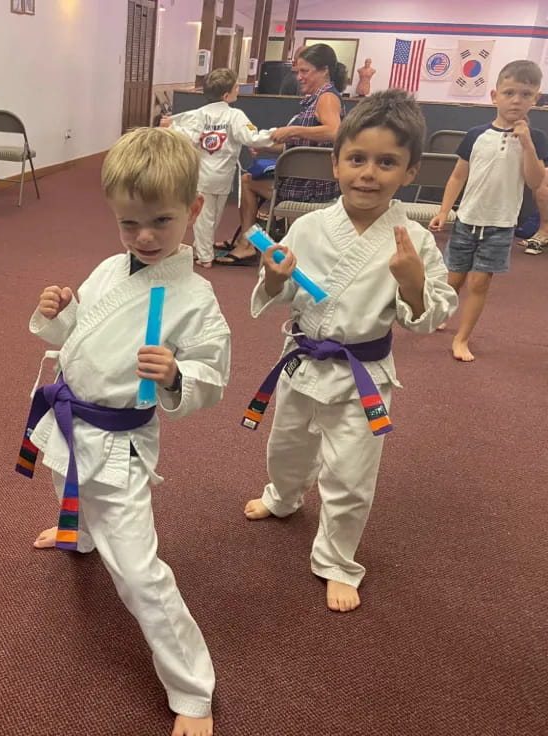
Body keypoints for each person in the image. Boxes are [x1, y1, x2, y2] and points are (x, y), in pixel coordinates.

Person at [19, 127, 230, 736]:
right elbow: (76, 341)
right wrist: (59, 313)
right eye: (128, 224)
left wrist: (175, 374)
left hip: (118, 436)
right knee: (66, 482)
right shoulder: (112, 269)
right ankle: (78, 532)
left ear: (193, 211)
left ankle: (192, 689)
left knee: (138, 570)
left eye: (160, 222)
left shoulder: (196, 299)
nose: (142, 238)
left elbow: (210, 379)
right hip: (71, 413)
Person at [241, 90, 457, 613]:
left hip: (364, 375)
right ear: (335, 161)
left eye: (387, 163)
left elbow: (433, 314)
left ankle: (337, 561)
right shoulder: (309, 226)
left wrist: (411, 284)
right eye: (356, 158)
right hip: (301, 363)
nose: (368, 173)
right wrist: (274, 279)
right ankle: (284, 496)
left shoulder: (413, 241)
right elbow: (282, 292)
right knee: (287, 449)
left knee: (351, 476)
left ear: (410, 171)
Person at [429, 60, 547, 362]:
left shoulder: (536, 140)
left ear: (536, 99)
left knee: (480, 282)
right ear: (495, 96)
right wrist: (444, 211)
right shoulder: (476, 134)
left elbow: (535, 182)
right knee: (453, 279)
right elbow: (458, 176)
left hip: (501, 223)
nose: (516, 100)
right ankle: (441, 315)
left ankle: (462, 337)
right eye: (509, 92)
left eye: (525, 94)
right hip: (468, 218)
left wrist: (528, 144)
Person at [216, 43, 346, 266]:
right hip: (306, 179)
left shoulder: (326, 97)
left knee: (248, 182)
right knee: (253, 178)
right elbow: (304, 143)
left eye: (305, 71)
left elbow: (335, 131)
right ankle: (246, 240)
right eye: (297, 72)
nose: (299, 77)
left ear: (324, 70)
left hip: (313, 187)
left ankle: (247, 245)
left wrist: (292, 130)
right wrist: (268, 146)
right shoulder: (316, 98)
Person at [161, 68, 273, 268]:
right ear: (226, 95)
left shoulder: (198, 115)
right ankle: (205, 255)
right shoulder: (235, 115)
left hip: (202, 174)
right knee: (214, 216)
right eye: (236, 87)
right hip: (223, 175)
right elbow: (251, 137)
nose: (238, 89)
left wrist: (170, 126)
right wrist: (275, 134)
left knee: (204, 217)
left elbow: (186, 137)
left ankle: (203, 252)